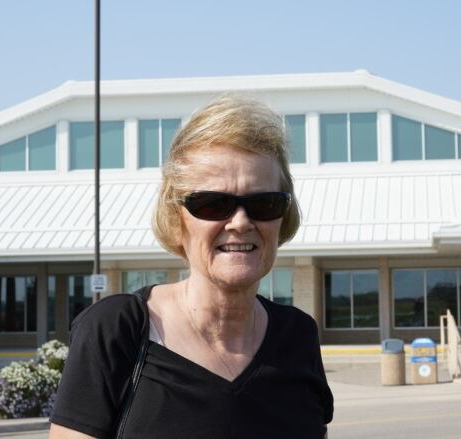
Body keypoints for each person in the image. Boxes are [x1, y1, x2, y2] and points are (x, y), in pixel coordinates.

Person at [48, 96, 334, 438]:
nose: (240, 222)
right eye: (214, 204)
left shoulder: (298, 334)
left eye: (264, 203)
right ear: (175, 218)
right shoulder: (117, 330)